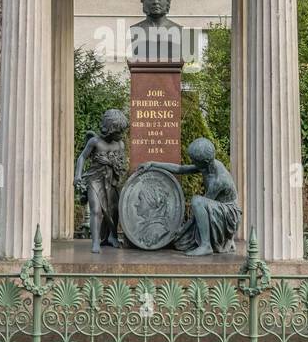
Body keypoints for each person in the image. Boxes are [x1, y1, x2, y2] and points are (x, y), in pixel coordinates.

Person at [139, 138, 240, 256]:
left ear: (205, 161)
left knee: (197, 201)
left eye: (194, 160)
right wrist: (153, 163)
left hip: (228, 215)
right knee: (179, 243)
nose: (192, 161)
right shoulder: (209, 166)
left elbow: (202, 211)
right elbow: (180, 169)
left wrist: (183, 229)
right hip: (217, 209)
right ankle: (217, 241)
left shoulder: (218, 181)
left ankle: (206, 245)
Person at [74, 109, 129, 253]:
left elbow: (121, 165)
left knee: (114, 210)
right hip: (95, 180)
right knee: (96, 210)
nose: (121, 135)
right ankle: (96, 241)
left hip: (112, 181)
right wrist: (77, 176)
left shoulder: (120, 145)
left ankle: (112, 236)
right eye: (119, 132)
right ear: (111, 129)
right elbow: (82, 157)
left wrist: (110, 163)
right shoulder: (95, 142)